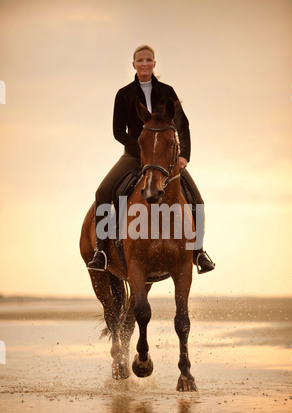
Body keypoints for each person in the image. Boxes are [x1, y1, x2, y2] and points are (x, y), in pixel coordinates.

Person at [88, 45, 215, 274]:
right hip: (135, 155)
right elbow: (118, 131)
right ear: (133, 64)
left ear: (154, 64)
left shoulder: (167, 91)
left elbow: (182, 125)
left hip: (166, 158)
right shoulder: (123, 94)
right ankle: (101, 251)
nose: (144, 64)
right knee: (102, 192)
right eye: (140, 60)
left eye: (149, 60)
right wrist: (141, 151)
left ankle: (199, 252)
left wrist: (184, 155)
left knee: (197, 199)